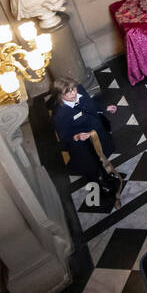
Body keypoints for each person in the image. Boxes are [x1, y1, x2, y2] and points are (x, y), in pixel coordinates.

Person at [51, 77, 124, 205]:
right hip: (82, 146)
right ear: (60, 96)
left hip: (97, 133)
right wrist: (77, 136)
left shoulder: (80, 90)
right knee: (91, 169)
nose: (73, 93)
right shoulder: (59, 115)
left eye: (73, 89)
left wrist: (105, 107)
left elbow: (91, 104)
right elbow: (64, 137)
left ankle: (107, 178)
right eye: (68, 92)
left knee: (102, 157)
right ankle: (97, 195)